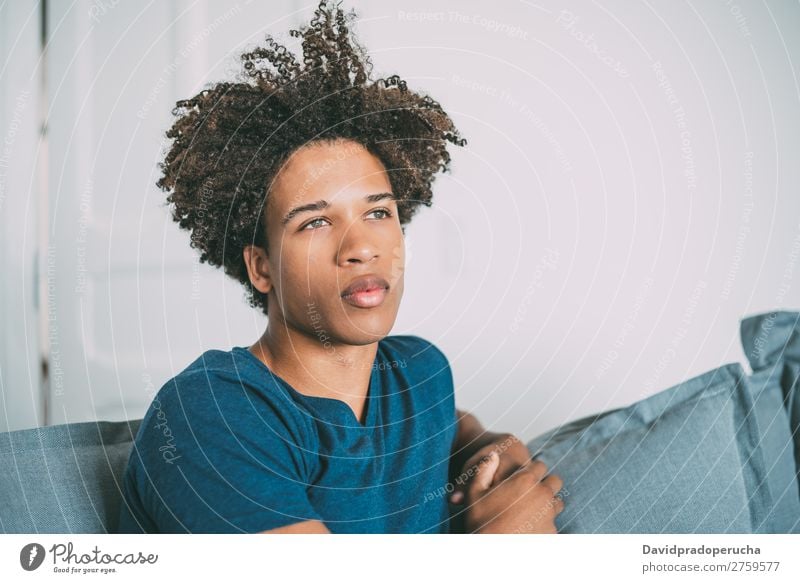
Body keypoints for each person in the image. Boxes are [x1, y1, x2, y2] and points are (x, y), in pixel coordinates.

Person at [117, 0, 564, 534]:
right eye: (314, 222)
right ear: (261, 268)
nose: (360, 247)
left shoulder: (420, 371)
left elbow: (447, 429)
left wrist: (484, 451)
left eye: (378, 212)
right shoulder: (210, 414)